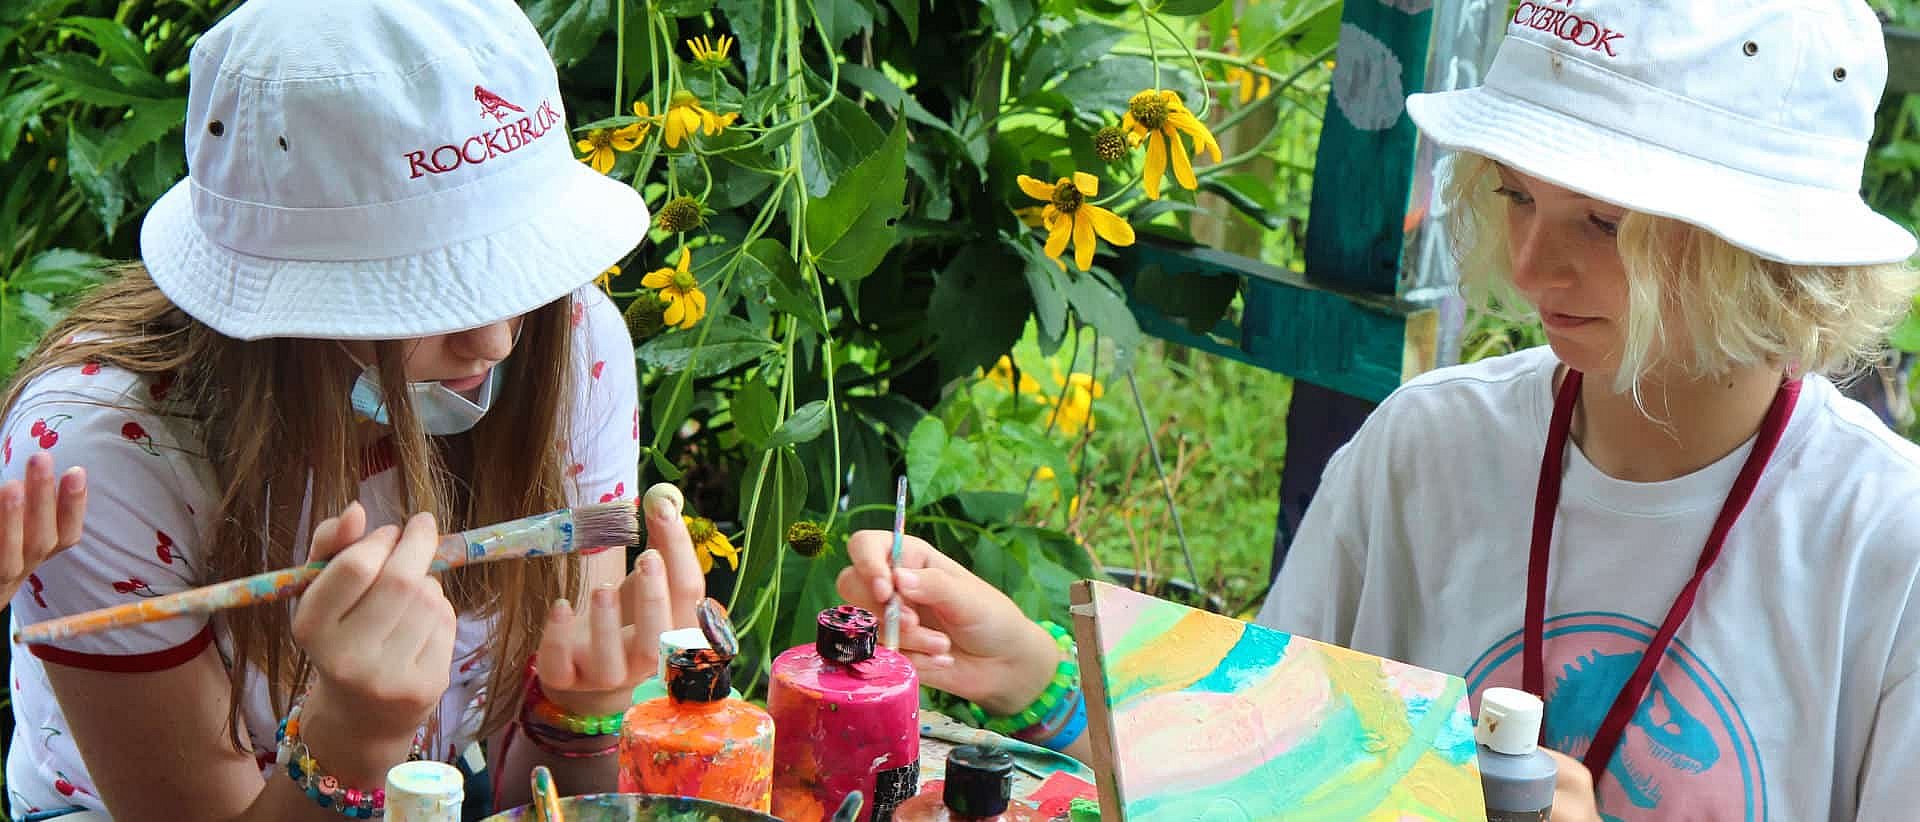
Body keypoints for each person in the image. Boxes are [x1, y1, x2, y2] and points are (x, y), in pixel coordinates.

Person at [838, 1, 1920, 819]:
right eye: (1516, 194)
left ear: (1765, 258)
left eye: (1602, 222)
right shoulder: (1426, 450)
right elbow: (1261, 778)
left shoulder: (1888, 549)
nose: (1535, 262)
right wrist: (1036, 673)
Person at [2, 0, 710, 818]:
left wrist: (583, 712)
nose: (497, 341)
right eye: (423, 289)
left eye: (514, 270)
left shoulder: (571, 339)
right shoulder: (105, 450)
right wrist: (354, 735)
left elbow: (534, 794)